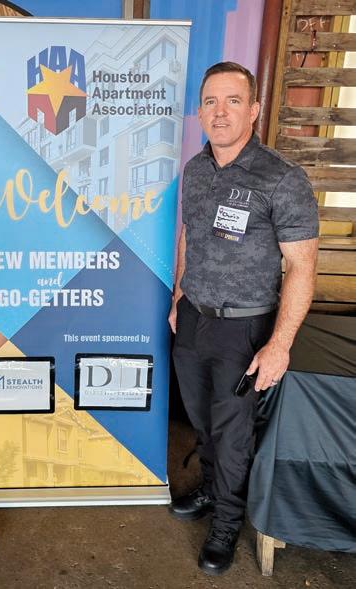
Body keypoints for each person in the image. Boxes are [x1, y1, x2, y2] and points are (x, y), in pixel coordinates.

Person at [168, 62, 319, 576]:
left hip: (245, 328)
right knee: (201, 420)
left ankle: (228, 524)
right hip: (194, 319)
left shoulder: (282, 179)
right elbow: (188, 235)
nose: (220, 112)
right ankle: (213, 490)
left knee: (233, 434)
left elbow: (302, 266)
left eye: (233, 101)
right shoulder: (195, 170)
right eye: (210, 102)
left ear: (253, 110)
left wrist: (280, 345)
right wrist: (178, 295)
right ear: (199, 112)